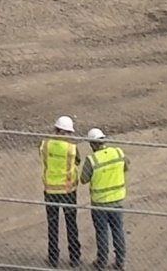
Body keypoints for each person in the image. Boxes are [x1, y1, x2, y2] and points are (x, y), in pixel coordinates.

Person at [41, 115, 82, 267]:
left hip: (50, 191)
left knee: (52, 225)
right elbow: (77, 161)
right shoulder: (71, 148)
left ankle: (53, 258)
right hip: (68, 191)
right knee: (71, 224)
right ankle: (75, 257)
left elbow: (43, 159)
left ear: (56, 129)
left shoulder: (45, 145)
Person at [84, 127, 127, 270]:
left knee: (102, 232)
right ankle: (120, 261)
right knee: (118, 230)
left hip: (99, 203)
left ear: (91, 144)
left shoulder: (92, 160)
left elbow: (84, 179)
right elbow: (125, 167)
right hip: (117, 201)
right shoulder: (118, 152)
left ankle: (102, 261)